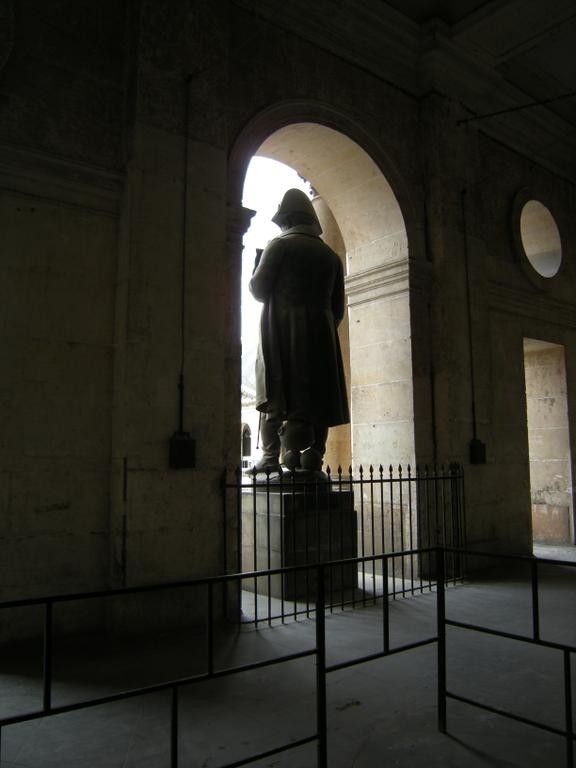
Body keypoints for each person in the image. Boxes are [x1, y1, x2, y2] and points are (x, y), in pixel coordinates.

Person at [249, 188, 349, 473]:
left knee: (276, 391)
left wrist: (257, 267)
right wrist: (320, 328)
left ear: (286, 217)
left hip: (281, 330)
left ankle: (270, 458)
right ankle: (315, 456)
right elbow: (338, 309)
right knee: (320, 398)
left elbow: (258, 289)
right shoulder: (331, 256)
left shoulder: (279, 245)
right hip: (322, 336)